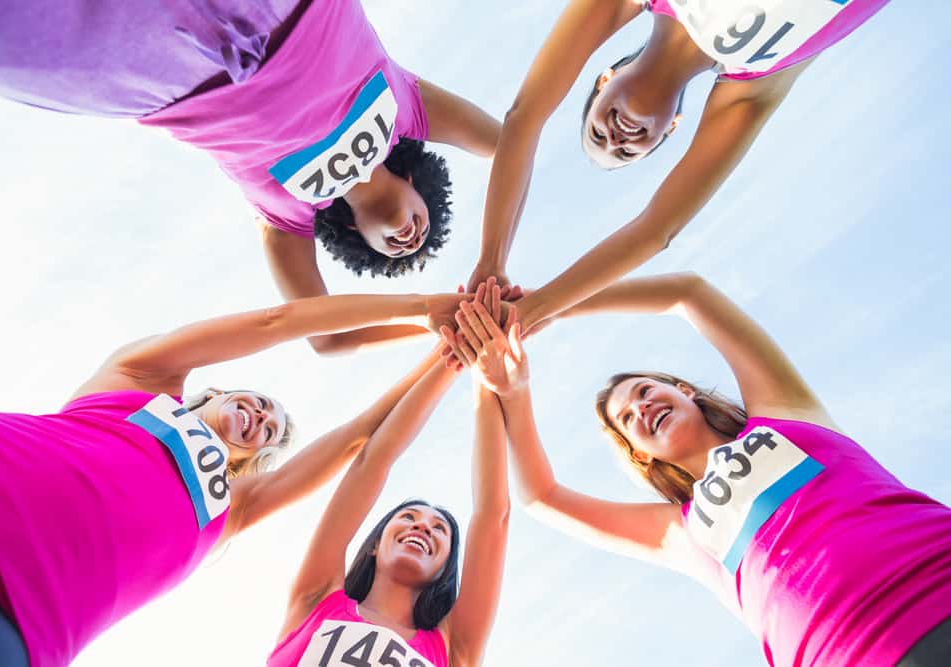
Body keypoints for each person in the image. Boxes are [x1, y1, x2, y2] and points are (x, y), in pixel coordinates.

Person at [444, 274, 951, 666]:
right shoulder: (682, 531)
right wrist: (509, 387)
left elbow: (690, 294)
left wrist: (548, 306)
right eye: (627, 419)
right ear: (640, 453)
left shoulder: (786, 416)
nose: (640, 408)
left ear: (683, 389)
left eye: (645, 391)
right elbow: (541, 496)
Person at [0, 289, 469, 667]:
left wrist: (450, 356)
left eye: (269, 433)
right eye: (263, 406)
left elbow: (362, 435)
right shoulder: (140, 380)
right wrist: (423, 309)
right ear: (218, 390)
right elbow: (277, 321)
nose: (264, 419)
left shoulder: (230, 508)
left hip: (19, 621)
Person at [0, 0, 502, 354]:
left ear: (362, 245)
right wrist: (493, 258)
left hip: (155, 66)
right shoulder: (410, 109)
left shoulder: (287, 218)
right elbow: (510, 142)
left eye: (398, 254)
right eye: (425, 230)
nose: (410, 240)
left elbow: (327, 339)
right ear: (420, 185)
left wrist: (430, 318)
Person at [467, 0, 890, 330]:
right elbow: (655, 230)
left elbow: (525, 115)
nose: (615, 140)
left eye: (598, 132)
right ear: (671, 128)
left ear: (603, 80)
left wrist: (490, 262)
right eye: (628, 153)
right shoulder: (751, 88)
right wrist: (533, 311)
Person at [270, 288, 510, 667]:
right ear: (373, 546)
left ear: (446, 569)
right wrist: (458, 354)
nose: (423, 528)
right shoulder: (315, 601)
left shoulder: (452, 649)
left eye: (439, 530)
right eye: (409, 518)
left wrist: (488, 370)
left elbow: (493, 515)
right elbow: (372, 461)